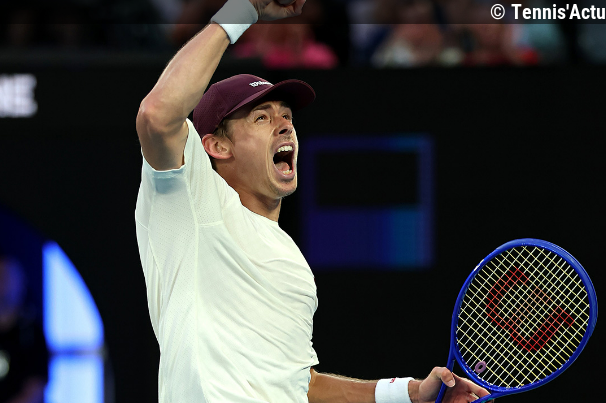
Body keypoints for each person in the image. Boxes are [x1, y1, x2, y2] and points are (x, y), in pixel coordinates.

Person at [134, 0, 493, 402]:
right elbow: (156, 114)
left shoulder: (294, 265)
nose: (284, 125)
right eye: (262, 117)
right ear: (216, 146)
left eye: (287, 116)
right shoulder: (190, 201)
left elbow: (302, 385)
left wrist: (411, 393)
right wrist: (243, 10)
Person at [0, 256, 48, 403]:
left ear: (20, 284)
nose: (2, 286)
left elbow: (35, 391)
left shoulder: (32, 333)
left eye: (7, 278)